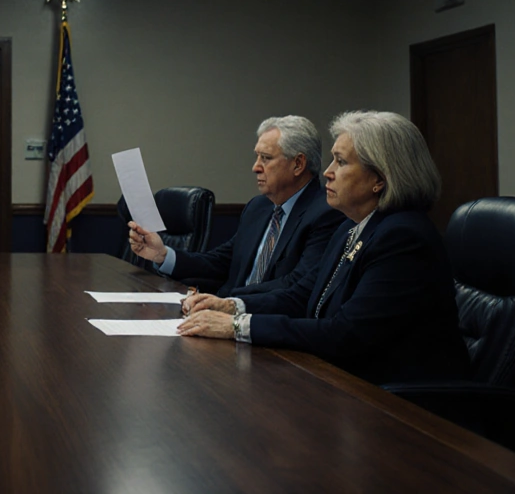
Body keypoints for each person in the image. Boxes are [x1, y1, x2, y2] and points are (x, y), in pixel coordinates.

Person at [178, 111, 469, 384]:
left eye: (341, 162)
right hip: (344, 381)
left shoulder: (404, 238)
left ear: (379, 179)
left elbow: (346, 333)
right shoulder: (350, 226)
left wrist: (238, 326)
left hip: (403, 407)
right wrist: (231, 306)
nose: (327, 172)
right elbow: (301, 296)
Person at [127, 116, 343, 296]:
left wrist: (229, 302)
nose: (255, 167)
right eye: (257, 157)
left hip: (268, 328)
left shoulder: (326, 213)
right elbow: (221, 262)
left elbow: (296, 286)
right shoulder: (259, 207)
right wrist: (162, 255)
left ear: (298, 164)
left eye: (265, 158)